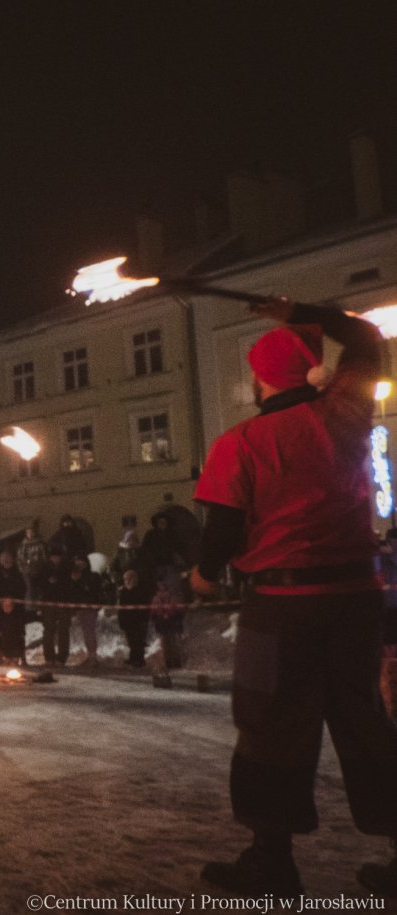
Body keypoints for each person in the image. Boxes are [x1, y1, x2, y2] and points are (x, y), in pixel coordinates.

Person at [190, 297, 397, 898]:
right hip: (356, 597)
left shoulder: (242, 441)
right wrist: (308, 313)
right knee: (365, 720)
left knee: (267, 723)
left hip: (279, 605)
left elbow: (222, 529)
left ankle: (270, 862)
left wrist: (205, 576)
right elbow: (365, 340)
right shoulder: (349, 410)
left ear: (260, 379)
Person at [116, 568, 152, 669]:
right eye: (125, 579)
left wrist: (144, 619)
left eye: (128, 578)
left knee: (139, 640)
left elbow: (145, 606)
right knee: (131, 640)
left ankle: (139, 660)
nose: (126, 581)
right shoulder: (123, 591)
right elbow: (121, 607)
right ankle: (133, 658)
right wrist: (121, 620)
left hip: (139, 620)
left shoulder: (141, 590)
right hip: (128, 620)